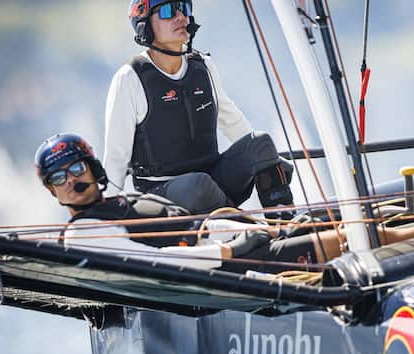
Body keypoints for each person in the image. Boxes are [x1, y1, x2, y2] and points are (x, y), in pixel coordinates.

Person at [36, 133, 414, 273]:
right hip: (229, 264)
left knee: (356, 221)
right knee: (354, 238)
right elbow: (156, 264)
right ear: (53, 192)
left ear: (92, 167)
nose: (71, 181)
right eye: (59, 178)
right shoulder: (84, 232)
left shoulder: (117, 204)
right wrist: (230, 252)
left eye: (75, 168)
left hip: (234, 236)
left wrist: (244, 232)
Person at [104, 0, 295, 220]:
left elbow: (233, 122)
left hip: (212, 180)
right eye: (167, 11)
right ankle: (247, 225)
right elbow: (116, 156)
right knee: (199, 185)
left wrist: (267, 161)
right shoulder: (129, 78)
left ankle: (285, 221)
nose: (180, 17)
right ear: (144, 26)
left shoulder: (203, 66)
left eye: (184, 8)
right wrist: (105, 213)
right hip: (163, 193)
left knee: (260, 141)